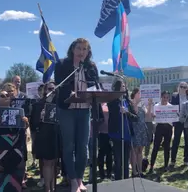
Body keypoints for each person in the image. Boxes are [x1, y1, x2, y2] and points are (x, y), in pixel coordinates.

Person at [54, 38, 99, 192]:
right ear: (73, 49)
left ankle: (79, 179)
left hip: (85, 109)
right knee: (69, 146)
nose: (81, 52)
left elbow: (96, 86)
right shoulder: (62, 64)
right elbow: (60, 84)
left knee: (83, 147)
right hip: (67, 109)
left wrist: (94, 93)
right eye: (79, 48)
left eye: (84, 49)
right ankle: (72, 180)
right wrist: (71, 92)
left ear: (88, 52)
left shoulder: (91, 67)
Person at [0, 86, 29, 192]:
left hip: (16, 148)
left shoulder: (18, 111)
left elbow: (25, 127)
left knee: (15, 173)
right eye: (2, 96)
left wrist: (25, 122)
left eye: (7, 95)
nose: (6, 97)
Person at [107, 79, 136, 180]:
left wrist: (127, 112)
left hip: (127, 135)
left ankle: (126, 181)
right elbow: (112, 113)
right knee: (118, 160)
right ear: (117, 88)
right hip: (116, 135)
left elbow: (135, 118)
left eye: (125, 86)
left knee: (126, 161)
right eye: (122, 86)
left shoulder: (128, 102)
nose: (124, 88)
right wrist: (118, 107)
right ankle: (118, 181)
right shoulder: (112, 102)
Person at [35, 82, 60, 192]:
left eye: (54, 89)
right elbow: (33, 124)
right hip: (44, 135)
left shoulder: (59, 103)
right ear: (45, 90)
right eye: (50, 89)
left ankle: (53, 187)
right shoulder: (39, 103)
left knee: (54, 163)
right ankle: (48, 188)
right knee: (47, 163)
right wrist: (40, 117)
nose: (52, 91)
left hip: (56, 135)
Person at [148, 91, 173, 173]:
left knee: (167, 147)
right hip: (159, 127)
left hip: (168, 127)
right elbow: (153, 117)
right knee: (156, 147)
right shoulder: (156, 106)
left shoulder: (171, 107)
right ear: (161, 97)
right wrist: (153, 116)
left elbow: (174, 117)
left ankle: (166, 165)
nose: (165, 99)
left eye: (167, 97)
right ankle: (151, 166)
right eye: (164, 97)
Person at [130, 88, 152, 177]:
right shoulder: (131, 103)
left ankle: (140, 171)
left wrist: (149, 105)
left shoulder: (142, 105)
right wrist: (136, 102)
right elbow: (134, 113)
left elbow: (148, 116)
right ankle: (134, 171)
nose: (140, 95)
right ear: (134, 94)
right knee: (134, 151)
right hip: (135, 130)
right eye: (138, 93)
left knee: (140, 151)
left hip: (142, 129)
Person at [170, 82, 188, 167]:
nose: (183, 88)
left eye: (185, 87)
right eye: (181, 86)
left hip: (187, 121)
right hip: (177, 121)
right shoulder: (174, 96)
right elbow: (171, 107)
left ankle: (186, 160)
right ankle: (173, 160)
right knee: (176, 141)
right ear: (178, 87)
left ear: (187, 88)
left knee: (187, 141)